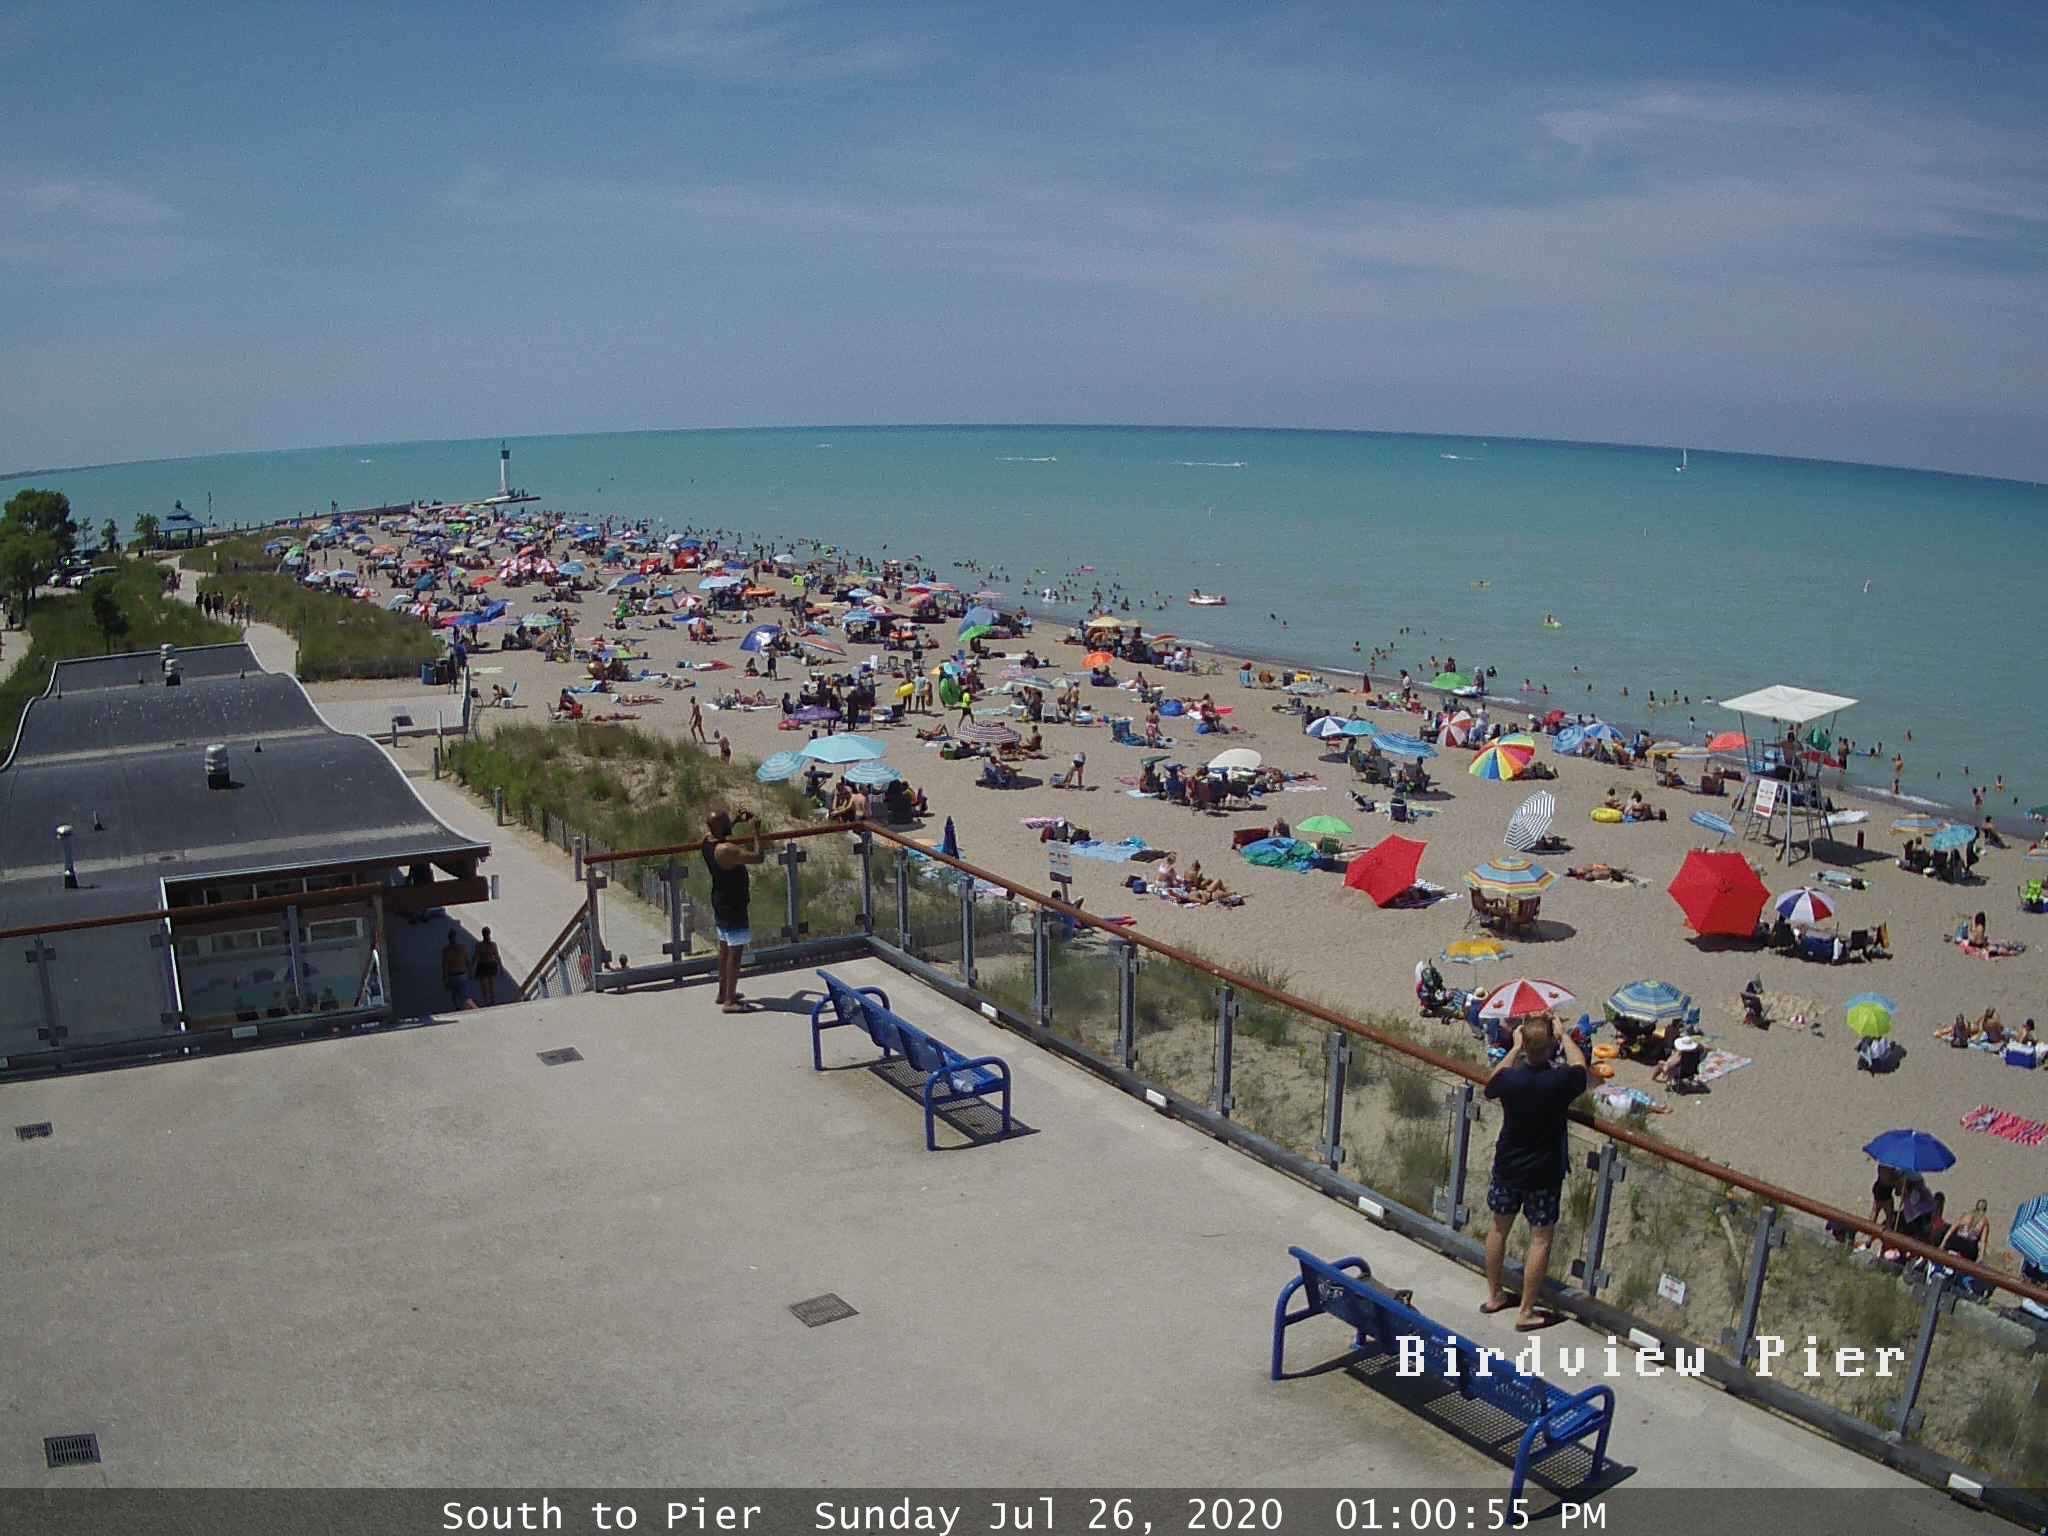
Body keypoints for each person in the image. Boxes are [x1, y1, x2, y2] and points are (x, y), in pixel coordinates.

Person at [1480, 1014, 1589, 1330]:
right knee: (1540, 1239)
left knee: (1498, 1228)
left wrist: (1514, 1049)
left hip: (1508, 1164)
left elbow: (1491, 1084)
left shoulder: (1511, 1080)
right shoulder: (1559, 1082)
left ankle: (1494, 1295)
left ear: (1524, 1044)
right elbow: (1581, 1066)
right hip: (1543, 1170)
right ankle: (1526, 1311)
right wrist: (1564, 1036)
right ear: (1551, 1045)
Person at [704, 808, 766, 1013]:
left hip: (720, 899)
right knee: (735, 952)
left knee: (724, 948)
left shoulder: (707, 842)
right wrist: (756, 831)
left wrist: (736, 821)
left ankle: (723, 992)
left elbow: (722, 831)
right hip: (733, 904)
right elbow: (758, 857)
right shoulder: (725, 850)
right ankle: (730, 1001)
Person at [440, 930, 473, 1011]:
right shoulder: (461, 948)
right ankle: (464, 1008)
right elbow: (467, 961)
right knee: (461, 994)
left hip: (454, 974)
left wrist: (445, 978)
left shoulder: (447, 950)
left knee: (457, 995)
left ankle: (461, 1008)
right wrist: (470, 971)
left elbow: (445, 965)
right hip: (460, 974)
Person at [471, 926, 502, 1005]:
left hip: (484, 965)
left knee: (485, 985)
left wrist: (471, 966)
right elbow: (497, 956)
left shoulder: (480, 945)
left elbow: (475, 956)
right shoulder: (491, 944)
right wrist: (501, 967)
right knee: (490, 985)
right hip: (490, 964)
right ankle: (491, 1001)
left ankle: (487, 1001)